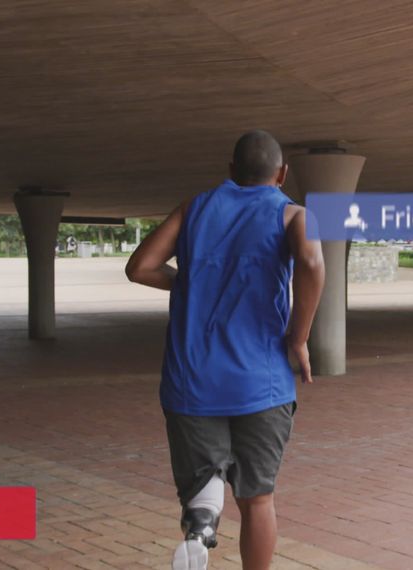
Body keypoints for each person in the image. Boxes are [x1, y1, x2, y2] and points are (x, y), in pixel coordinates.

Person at [124, 130, 325, 570]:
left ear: (231, 171)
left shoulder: (193, 208)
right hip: (262, 381)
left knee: (205, 483)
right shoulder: (294, 215)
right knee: (257, 499)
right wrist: (299, 337)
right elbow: (311, 263)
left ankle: (201, 526)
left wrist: (188, 282)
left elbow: (139, 268)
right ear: (283, 173)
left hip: (191, 377)